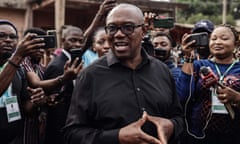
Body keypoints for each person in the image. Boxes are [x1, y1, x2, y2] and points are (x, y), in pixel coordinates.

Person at [63, 3, 184, 144]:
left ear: (144, 31)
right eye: (112, 28)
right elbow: (72, 134)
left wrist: (171, 126)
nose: (119, 34)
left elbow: (178, 117)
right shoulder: (90, 75)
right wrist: (117, 137)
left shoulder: (162, 71)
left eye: (128, 27)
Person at [177, 24, 240, 144]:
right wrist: (188, 57)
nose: (218, 42)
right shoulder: (198, 65)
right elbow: (182, 96)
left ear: (236, 44)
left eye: (224, 38)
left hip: (234, 137)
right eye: (214, 38)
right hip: (198, 136)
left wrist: (237, 98)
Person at [0, 19, 45, 144]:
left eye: (13, 37)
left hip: (14, 138)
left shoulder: (19, 70)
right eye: (1, 36)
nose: (8, 40)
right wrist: (18, 56)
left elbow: (26, 108)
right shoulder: (16, 62)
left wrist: (36, 101)